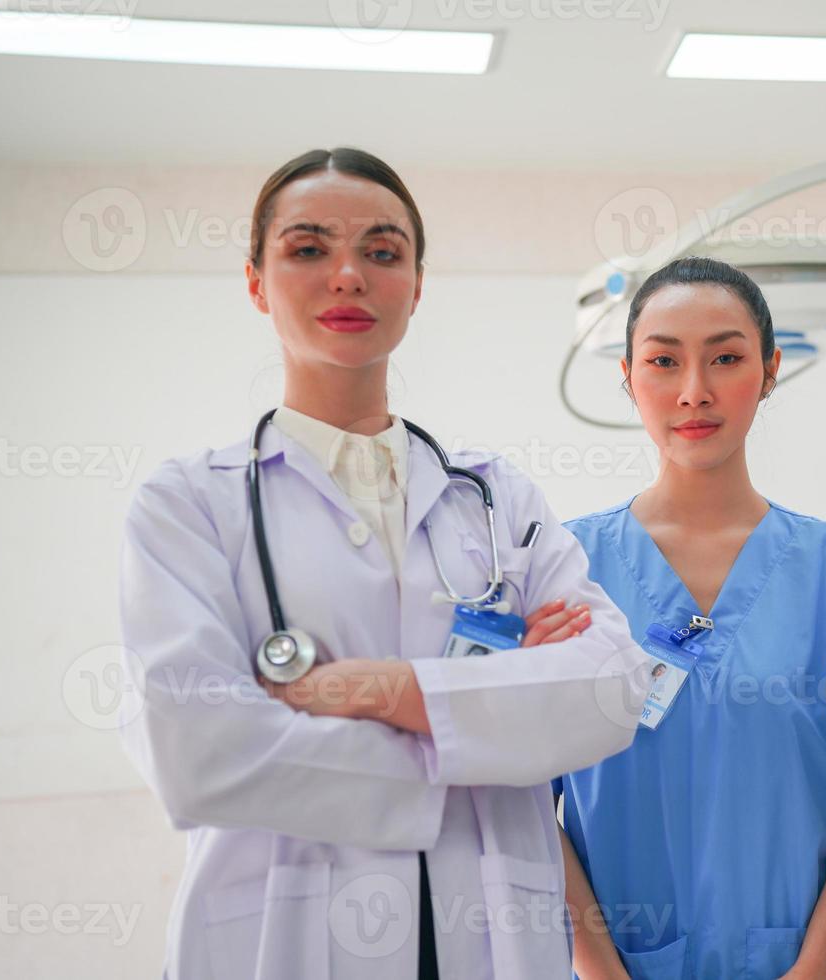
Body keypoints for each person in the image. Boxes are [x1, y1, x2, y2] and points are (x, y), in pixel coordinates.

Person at [118, 147, 646, 978]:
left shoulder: (495, 493)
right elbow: (200, 753)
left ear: (417, 283)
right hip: (283, 938)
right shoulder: (189, 504)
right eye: (307, 248)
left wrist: (373, 691)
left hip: (495, 935)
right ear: (255, 281)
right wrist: (493, 728)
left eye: (382, 251)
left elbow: (612, 691)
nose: (348, 276)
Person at [555, 257, 826, 979]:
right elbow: (525, 803)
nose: (694, 391)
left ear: (770, 370)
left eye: (725, 357)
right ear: (628, 376)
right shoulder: (567, 568)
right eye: (663, 361)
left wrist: (807, 974)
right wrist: (600, 972)